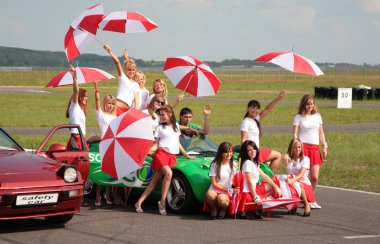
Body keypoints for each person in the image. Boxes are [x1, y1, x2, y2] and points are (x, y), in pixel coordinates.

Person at [134, 105, 194, 215]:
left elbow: (177, 143)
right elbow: (156, 144)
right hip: (161, 154)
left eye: (163, 115)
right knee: (168, 174)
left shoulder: (176, 126)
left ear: (170, 114)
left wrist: (187, 155)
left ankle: (138, 202)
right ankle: (162, 202)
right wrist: (150, 150)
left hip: (171, 156)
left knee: (154, 181)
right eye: (160, 115)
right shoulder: (159, 128)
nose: (161, 117)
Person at [292, 94, 327, 209]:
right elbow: (295, 134)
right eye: (307, 104)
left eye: (311, 103)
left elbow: (321, 133)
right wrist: (296, 146)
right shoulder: (298, 117)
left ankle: (311, 199)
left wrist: (324, 146)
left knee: (315, 176)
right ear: (304, 104)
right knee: (303, 176)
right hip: (303, 149)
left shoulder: (317, 116)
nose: (310, 106)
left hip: (315, 149)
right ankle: (302, 198)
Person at [240, 91, 285, 172]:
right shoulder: (246, 122)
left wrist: (278, 98)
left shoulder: (255, 119)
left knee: (267, 163)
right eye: (253, 107)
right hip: (252, 153)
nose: (255, 110)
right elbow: (243, 139)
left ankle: (265, 179)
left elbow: (267, 109)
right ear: (248, 108)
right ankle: (268, 179)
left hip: (255, 151)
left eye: (257, 108)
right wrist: (245, 155)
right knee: (278, 155)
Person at [238, 140, 282, 219]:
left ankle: (254, 208)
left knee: (273, 185)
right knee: (263, 200)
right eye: (249, 150)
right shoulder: (247, 163)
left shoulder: (254, 162)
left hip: (253, 189)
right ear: (245, 152)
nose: (253, 151)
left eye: (254, 149)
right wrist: (255, 197)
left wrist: (275, 186)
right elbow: (249, 182)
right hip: (248, 192)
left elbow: (265, 176)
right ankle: (250, 208)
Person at [92, 81, 116, 207]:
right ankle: (97, 196)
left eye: (112, 104)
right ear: (104, 104)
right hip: (103, 145)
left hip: (113, 146)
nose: (111, 106)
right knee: (100, 170)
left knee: (109, 171)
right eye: (108, 103)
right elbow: (96, 101)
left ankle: (107, 194)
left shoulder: (115, 116)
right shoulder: (101, 114)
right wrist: (96, 87)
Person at [203, 142, 240, 219]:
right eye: (226, 152)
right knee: (209, 194)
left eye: (230, 152)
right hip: (215, 189)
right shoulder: (215, 164)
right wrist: (228, 190)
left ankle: (223, 209)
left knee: (223, 202)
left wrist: (236, 187)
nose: (229, 154)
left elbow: (235, 181)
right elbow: (214, 183)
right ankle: (214, 208)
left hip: (227, 192)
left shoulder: (235, 165)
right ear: (221, 153)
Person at [104, 44, 139, 114]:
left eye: (133, 70)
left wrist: (135, 113)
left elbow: (136, 103)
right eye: (129, 70)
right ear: (125, 70)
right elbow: (117, 62)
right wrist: (109, 50)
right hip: (117, 108)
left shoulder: (136, 85)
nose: (131, 72)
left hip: (127, 111)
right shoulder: (123, 77)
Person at [284, 138, 313, 216]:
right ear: (291, 148)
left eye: (299, 147)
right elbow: (286, 168)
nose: (297, 149)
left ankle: (307, 205)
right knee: (283, 183)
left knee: (297, 184)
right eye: (295, 147)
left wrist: (292, 181)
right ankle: (294, 204)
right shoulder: (288, 159)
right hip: (293, 182)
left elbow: (301, 174)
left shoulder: (306, 159)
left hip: (304, 184)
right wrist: (286, 156)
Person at [65, 65, 89, 151]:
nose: (87, 98)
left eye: (87, 96)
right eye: (85, 96)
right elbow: (76, 91)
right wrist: (74, 77)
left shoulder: (81, 110)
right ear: (79, 97)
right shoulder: (74, 106)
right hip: (76, 141)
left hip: (82, 140)